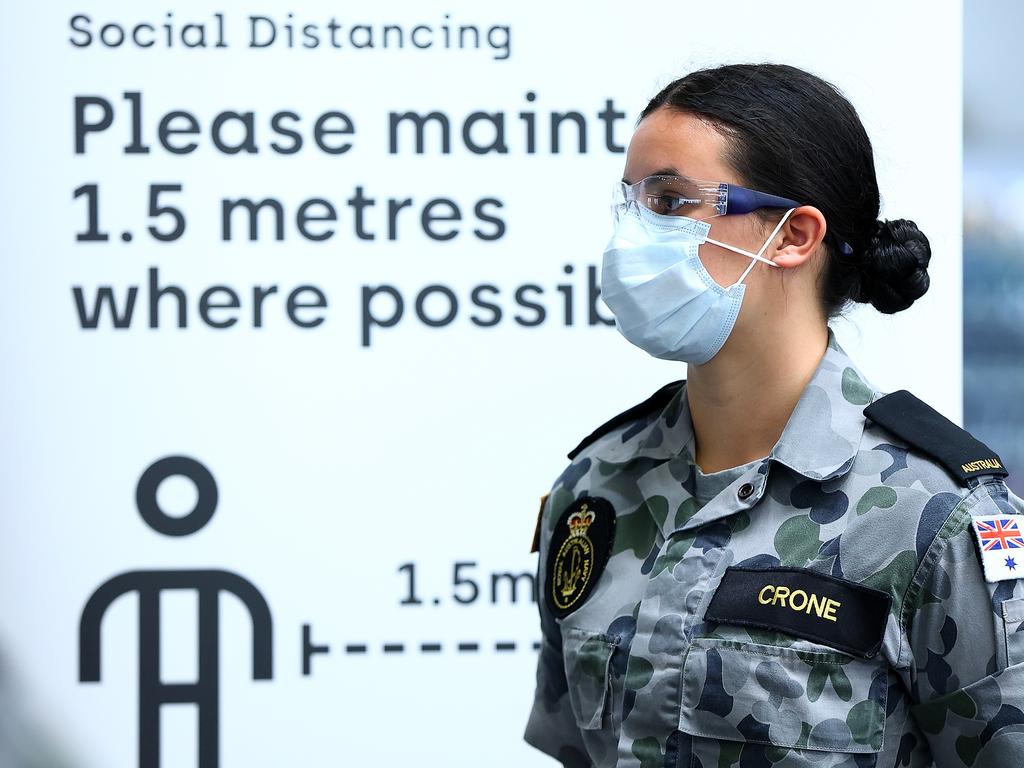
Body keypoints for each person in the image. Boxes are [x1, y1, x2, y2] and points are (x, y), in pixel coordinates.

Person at [523, 62, 1024, 768]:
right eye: (630, 203)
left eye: (669, 202)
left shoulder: (934, 517)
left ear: (793, 235)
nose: (632, 236)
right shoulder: (594, 488)